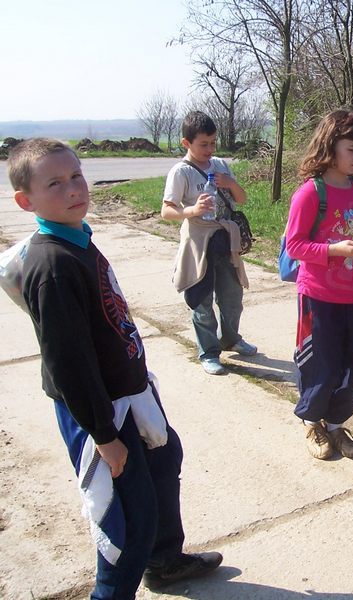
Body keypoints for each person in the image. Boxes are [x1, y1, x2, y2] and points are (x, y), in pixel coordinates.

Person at [10, 138, 222, 598]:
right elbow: (68, 365)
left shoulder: (77, 238)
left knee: (164, 462)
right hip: (101, 411)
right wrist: (105, 437)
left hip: (131, 393)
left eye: (76, 176)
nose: (73, 188)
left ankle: (164, 561)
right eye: (55, 184)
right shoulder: (54, 266)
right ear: (26, 202)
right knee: (126, 524)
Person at [285, 111, 353, 460]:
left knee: (351, 364)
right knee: (320, 364)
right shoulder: (310, 193)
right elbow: (294, 246)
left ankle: (337, 425)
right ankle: (312, 422)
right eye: (351, 149)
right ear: (330, 146)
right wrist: (333, 251)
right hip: (319, 296)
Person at [161, 111, 257, 376]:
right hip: (198, 242)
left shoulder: (221, 165)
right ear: (186, 143)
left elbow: (242, 199)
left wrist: (230, 182)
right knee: (201, 300)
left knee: (233, 296)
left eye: (213, 142)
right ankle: (209, 352)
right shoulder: (181, 172)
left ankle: (231, 339)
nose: (210, 149)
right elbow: (166, 210)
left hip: (226, 240)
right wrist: (192, 210)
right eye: (203, 144)